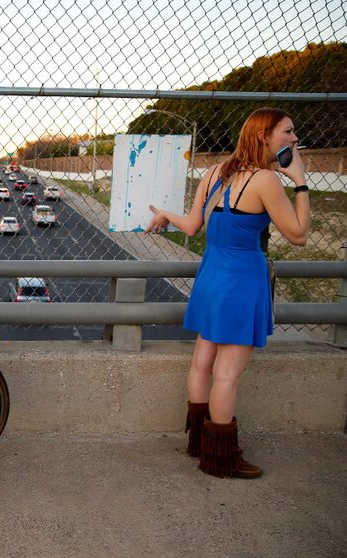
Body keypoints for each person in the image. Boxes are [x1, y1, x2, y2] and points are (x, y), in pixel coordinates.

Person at [145, 107, 310, 478]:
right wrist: (300, 181)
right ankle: (220, 457)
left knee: (202, 363)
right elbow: (298, 235)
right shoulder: (267, 180)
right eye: (288, 132)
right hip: (241, 280)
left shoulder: (215, 172)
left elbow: (191, 227)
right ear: (264, 136)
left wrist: (166, 215)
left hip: (211, 276)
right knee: (227, 374)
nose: (294, 139)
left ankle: (199, 444)